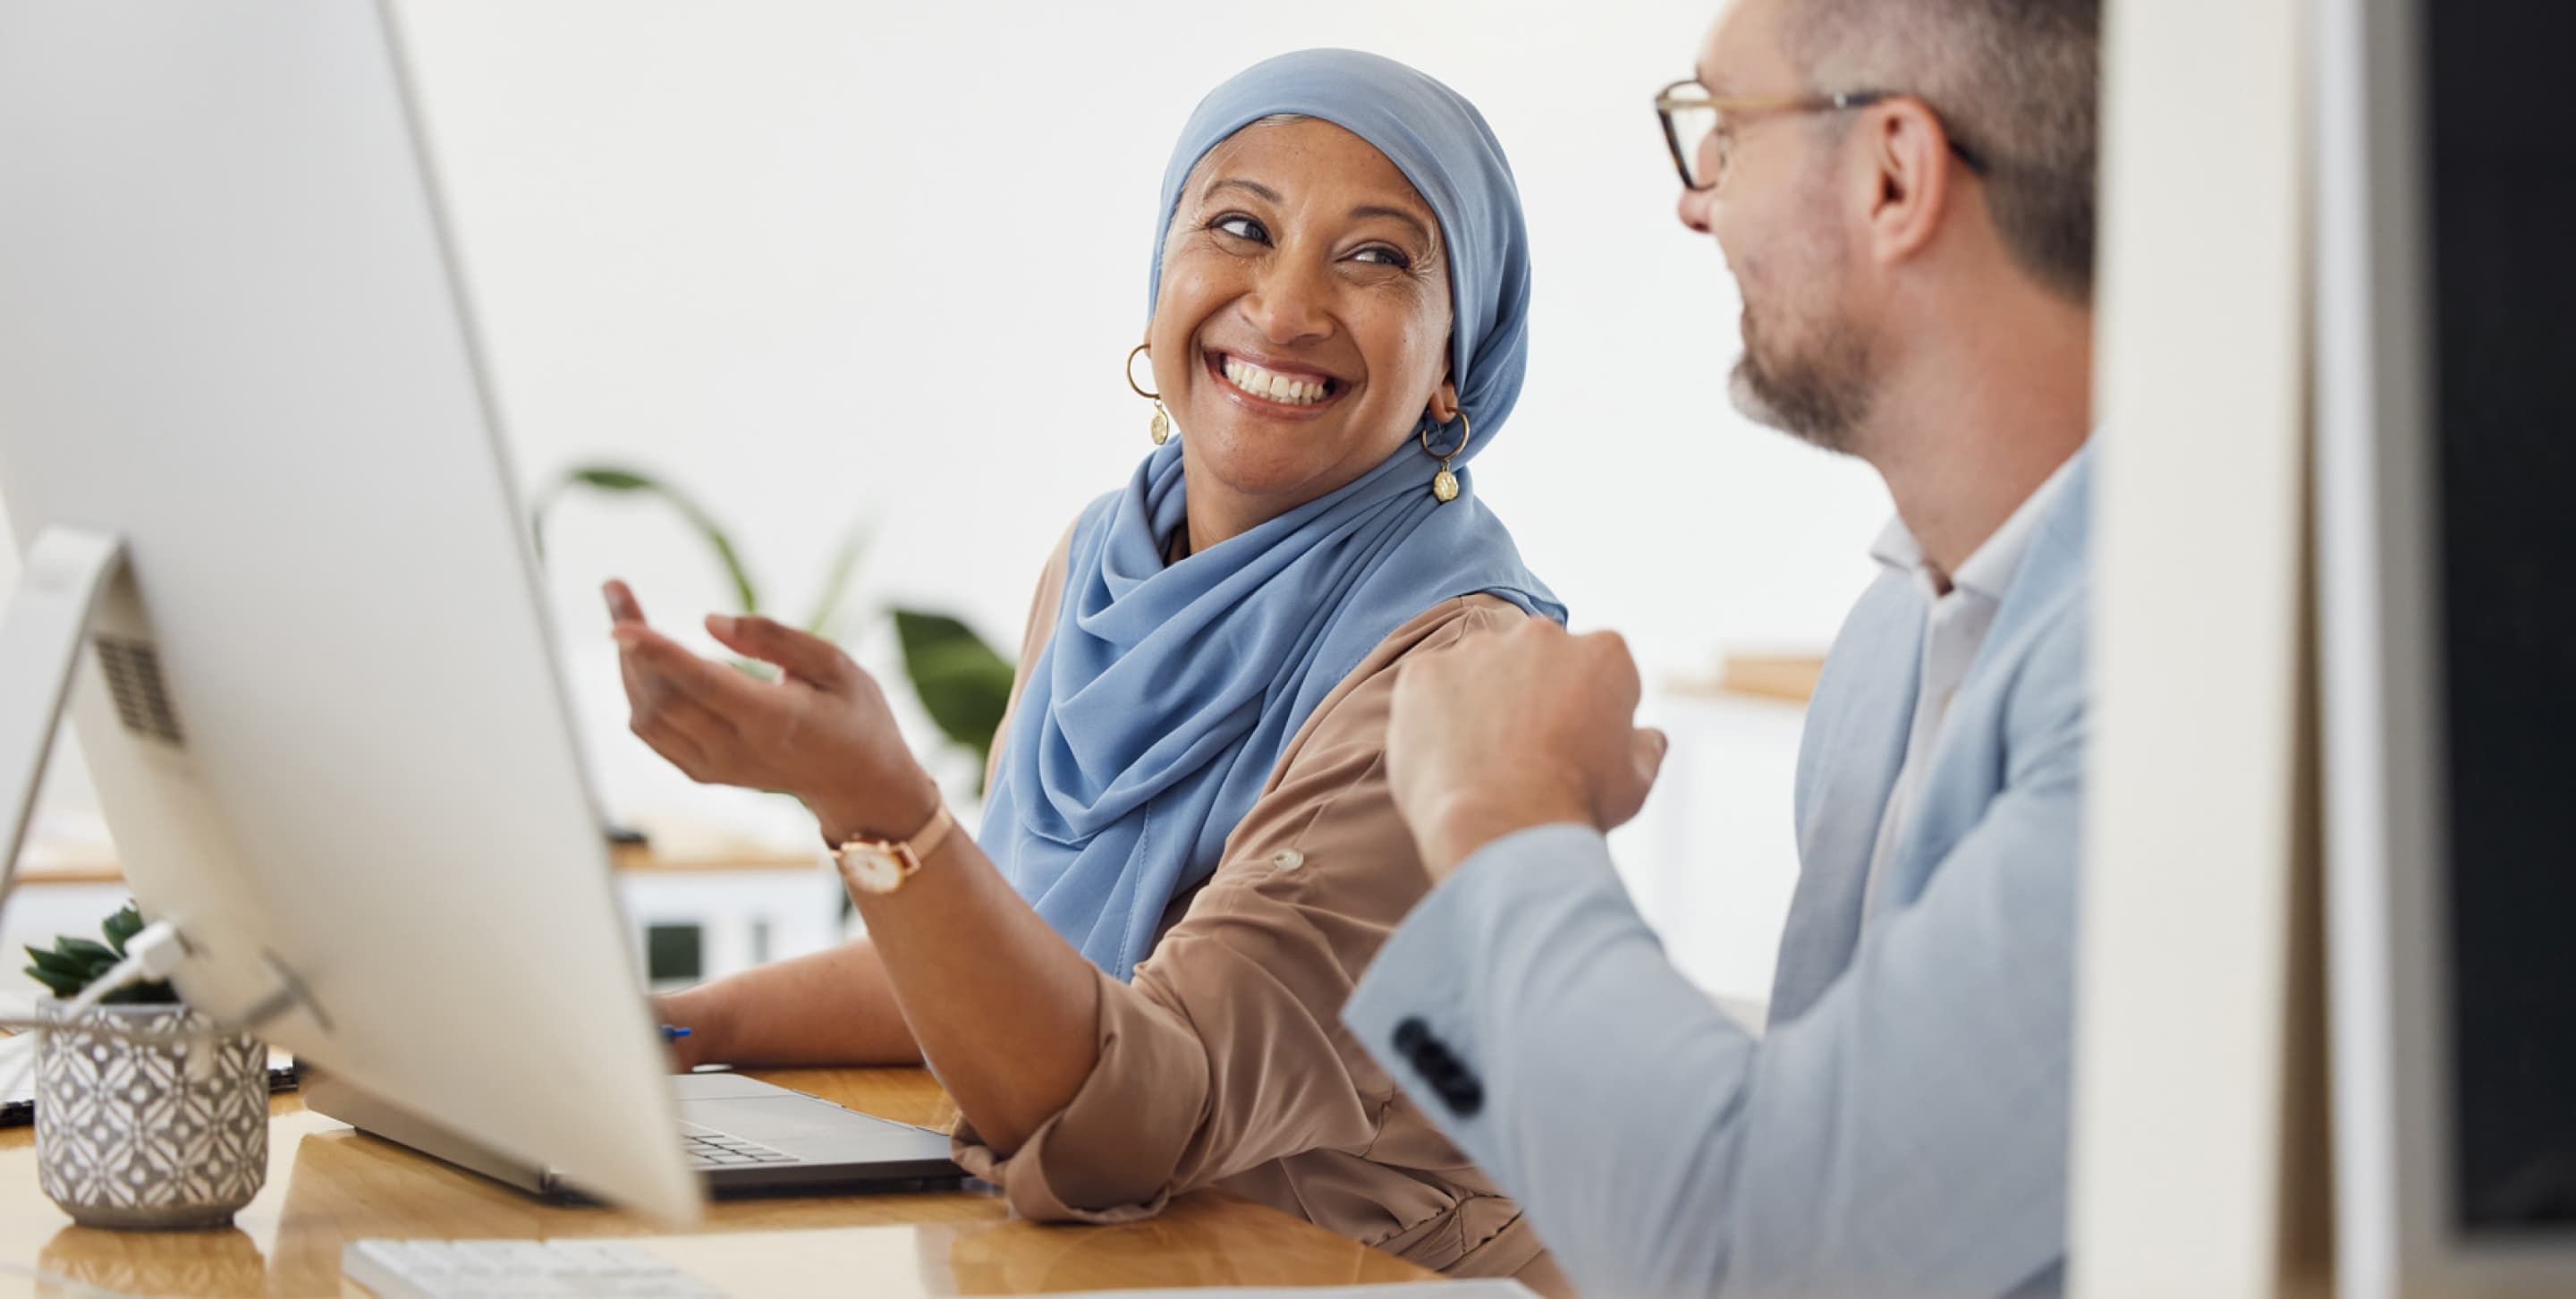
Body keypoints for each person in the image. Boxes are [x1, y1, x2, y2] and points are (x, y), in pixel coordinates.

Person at [604, 49, 1574, 1288]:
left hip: (1361, 1273)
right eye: (1239, 227)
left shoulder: (1461, 676)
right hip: (1126, 1256)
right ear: (1161, 277)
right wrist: (681, 1031)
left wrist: (876, 806)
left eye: (1376, 255)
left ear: (1455, 361)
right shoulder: (1105, 561)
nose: (1282, 307)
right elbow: (1016, 962)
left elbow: (1135, 1113)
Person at [1341, 0, 2101, 1295]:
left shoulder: (2160, 683)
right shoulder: (1884, 651)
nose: (1697, 207)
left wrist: (1504, 812)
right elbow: (1800, 1164)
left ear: (1894, 174)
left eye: (1725, 134)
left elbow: (1769, 1258)